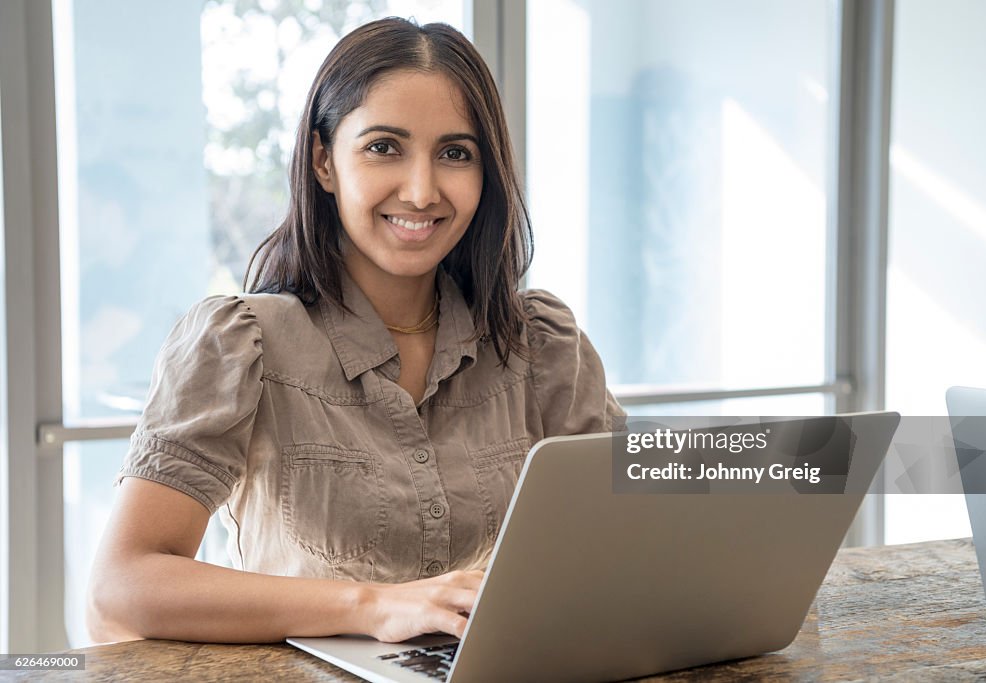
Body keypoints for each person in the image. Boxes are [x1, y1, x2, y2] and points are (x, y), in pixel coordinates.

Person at [86, 16, 623, 646]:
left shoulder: (539, 343)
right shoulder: (240, 342)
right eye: (383, 147)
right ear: (323, 161)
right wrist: (372, 606)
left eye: (455, 153)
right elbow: (121, 587)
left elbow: (629, 539)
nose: (422, 191)